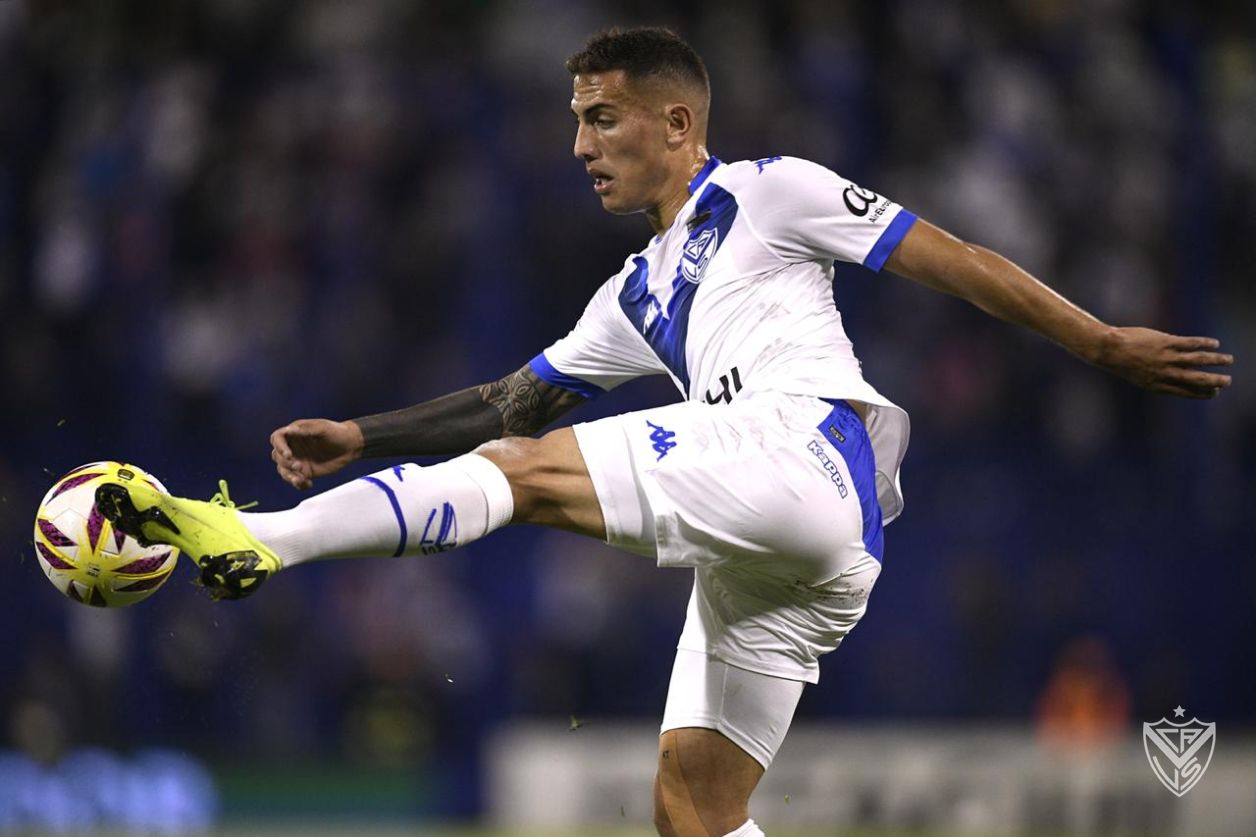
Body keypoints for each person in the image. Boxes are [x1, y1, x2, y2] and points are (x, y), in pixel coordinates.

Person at [94, 26, 1232, 837]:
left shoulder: (770, 190)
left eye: (602, 118)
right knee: (692, 809)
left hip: (802, 453)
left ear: (677, 122)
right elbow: (514, 399)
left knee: (519, 477)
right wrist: (366, 431)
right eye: (575, 123)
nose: (581, 145)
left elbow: (957, 259)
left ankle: (259, 539)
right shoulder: (630, 294)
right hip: (789, 555)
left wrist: (1097, 341)